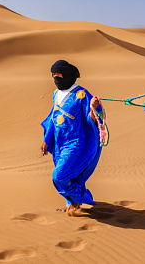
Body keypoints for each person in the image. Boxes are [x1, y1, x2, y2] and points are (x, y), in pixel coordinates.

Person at [40, 60, 103, 216]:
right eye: (53, 76)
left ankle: (83, 198)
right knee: (70, 174)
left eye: (59, 75)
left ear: (68, 75)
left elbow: (93, 119)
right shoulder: (56, 94)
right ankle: (72, 204)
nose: (56, 79)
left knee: (59, 176)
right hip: (60, 143)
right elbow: (52, 119)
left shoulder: (82, 94)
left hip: (77, 142)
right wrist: (46, 140)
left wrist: (94, 108)